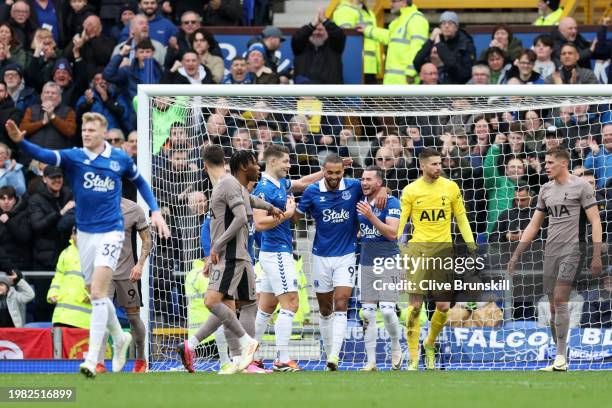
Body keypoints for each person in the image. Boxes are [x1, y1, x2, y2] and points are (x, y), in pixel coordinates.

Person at [4, 112, 170, 378]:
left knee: (97, 292)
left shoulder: (119, 159)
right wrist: (20, 143)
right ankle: (119, 337)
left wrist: (155, 210)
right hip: (85, 233)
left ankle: (92, 360)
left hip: (111, 232)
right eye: (84, 129)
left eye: (92, 129)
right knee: (95, 292)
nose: (86, 133)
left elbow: (139, 180)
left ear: (103, 133)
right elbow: (44, 154)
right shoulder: (74, 156)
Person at [177, 146, 280, 374]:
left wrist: (217, 245)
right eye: (255, 163)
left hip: (232, 256)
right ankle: (234, 359)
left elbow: (244, 210)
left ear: (205, 165)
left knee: (215, 303)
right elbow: (246, 206)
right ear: (244, 166)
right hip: (235, 256)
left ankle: (244, 348)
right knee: (231, 307)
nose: (258, 167)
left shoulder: (230, 184)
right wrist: (270, 207)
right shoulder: (231, 184)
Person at [508, 147, 602, 372]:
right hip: (550, 251)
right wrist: (517, 253)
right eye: (545, 162)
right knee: (552, 307)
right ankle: (558, 354)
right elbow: (534, 225)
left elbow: (596, 221)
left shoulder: (582, 187)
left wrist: (596, 254)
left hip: (574, 250)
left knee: (560, 299)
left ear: (563, 164)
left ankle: (560, 358)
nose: (546, 166)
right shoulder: (545, 189)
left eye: (550, 162)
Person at [292, 154, 385, 371]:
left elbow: (375, 187)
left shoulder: (353, 186)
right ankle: (329, 355)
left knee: (341, 303)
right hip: (320, 255)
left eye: (338, 173)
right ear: (323, 171)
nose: (334, 177)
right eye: (329, 173)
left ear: (343, 172)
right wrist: (281, 207)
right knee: (325, 309)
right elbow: (295, 216)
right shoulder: (312, 191)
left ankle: (334, 356)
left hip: (347, 254)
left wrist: (382, 190)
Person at [397, 147, 476, 370]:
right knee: (414, 307)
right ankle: (413, 358)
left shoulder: (451, 187)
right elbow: (403, 223)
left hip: (443, 251)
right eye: (433, 164)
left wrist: (471, 245)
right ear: (422, 166)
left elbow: (461, 218)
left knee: (442, 307)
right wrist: (400, 248)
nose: (438, 167)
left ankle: (429, 344)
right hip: (418, 251)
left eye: (439, 163)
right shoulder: (411, 190)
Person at [252, 145, 329, 372]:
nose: (289, 165)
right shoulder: (264, 189)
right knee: (291, 304)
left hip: (274, 252)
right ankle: (282, 359)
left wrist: (325, 172)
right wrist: (286, 214)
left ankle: (252, 356)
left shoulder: (280, 184)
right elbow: (259, 223)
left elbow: (303, 182)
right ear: (273, 162)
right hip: (276, 252)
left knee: (265, 308)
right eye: (285, 161)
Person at [357, 166, 403, 371]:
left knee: (386, 310)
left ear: (379, 183)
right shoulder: (361, 201)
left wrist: (371, 217)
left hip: (389, 261)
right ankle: (371, 361)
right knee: (367, 313)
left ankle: (395, 346)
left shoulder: (391, 202)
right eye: (362, 179)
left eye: (368, 179)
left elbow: (393, 234)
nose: (364, 182)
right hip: (366, 262)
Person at [99, 198, 152, 373]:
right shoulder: (95, 206)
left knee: (133, 318)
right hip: (104, 271)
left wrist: (140, 265)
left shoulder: (133, 209)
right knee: (101, 315)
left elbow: (146, 239)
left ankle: (141, 359)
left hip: (127, 273)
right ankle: (99, 363)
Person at [359, 0, 427, 84]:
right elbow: (388, 37)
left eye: (394, 1)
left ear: (404, 2)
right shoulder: (400, 21)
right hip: (393, 82)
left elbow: (418, 47)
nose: (390, 4)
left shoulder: (416, 19)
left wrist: (410, 73)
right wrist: (367, 29)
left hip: (406, 83)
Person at [414, 11, 476, 85]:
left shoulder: (466, 45)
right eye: (443, 23)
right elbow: (417, 62)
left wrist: (439, 45)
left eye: (450, 23)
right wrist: (430, 40)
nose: (446, 26)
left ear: (456, 27)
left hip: (453, 88)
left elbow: (460, 72)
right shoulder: (435, 39)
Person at [47, 227, 91, 329]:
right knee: (59, 344)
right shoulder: (66, 252)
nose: (72, 236)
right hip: (61, 315)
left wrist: (91, 295)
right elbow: (58, 276)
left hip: (83, 318)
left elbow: (103, 279)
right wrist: (53, 293)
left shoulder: (95, 252)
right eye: (73, 233)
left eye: (75, 233)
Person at [292, 7, 346, 85]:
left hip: (329, 94)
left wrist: (325, 20)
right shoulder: (301, 48)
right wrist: (311, 25)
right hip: (305, 93)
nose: (317, 32)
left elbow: (339, 34)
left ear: (327, 32)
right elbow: (297, 37)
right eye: (314, 29)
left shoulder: (334, 47)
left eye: (320, 30)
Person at [19, 81, 77, 151]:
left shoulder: (68, 111)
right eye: (47, 92)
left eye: (53, 93)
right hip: (33, 156)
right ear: (42, 95)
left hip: (56, 157)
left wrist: (53, 117)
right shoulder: (31, 109)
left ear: (59, 97)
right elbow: (22, 129)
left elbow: (70, 132)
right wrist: (42, 122)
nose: (50, 95)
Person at [333, 0, 380, 83]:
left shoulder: (368, 12)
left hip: (370, 67)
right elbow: (348, 42)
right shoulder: (344, 11)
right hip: (356, 67)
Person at [0, 185, 31, 270]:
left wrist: (8, 222)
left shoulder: (24, 214)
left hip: (19, 265)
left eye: (9, 199)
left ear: (15, 200)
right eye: (3, 199)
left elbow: (24, 237)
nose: (6, 202)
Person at [584, 123, 612, 189]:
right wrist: (595, 154)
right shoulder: (596, 152)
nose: (608, 137)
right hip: (602, 194)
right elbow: (587, 170)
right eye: (605, 135)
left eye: (611, 134)